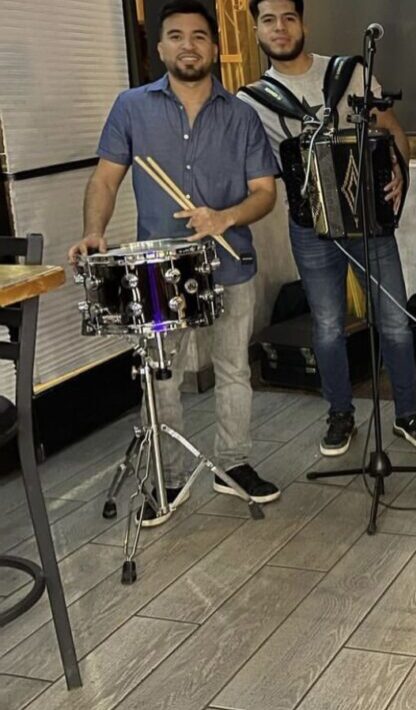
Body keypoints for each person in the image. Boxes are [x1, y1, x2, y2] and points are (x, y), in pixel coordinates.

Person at [68, 0, 282, 527]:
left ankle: (233, 463)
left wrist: (224, 218)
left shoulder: (242, 115)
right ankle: (166, 476)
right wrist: (94, 232)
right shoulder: (131, 107)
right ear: (160, 47)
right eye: (176, 36)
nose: (189, 45)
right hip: (158, 269)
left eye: (200, 36)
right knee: (161, 376)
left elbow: (264, 193)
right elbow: (105, 179)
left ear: (215, 47)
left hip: (230, 263)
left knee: (234, 369)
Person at [241, 0, 416, 457]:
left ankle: (408, 413)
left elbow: (392, 130)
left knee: (393, 320)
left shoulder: (348, 72)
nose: (279, 28)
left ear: (302, 24)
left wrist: (400, 175)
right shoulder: (250, 102)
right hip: (309, 226)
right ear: (256, 30)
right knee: (328, 326)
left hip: (368, 222)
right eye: (269, 20)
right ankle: (340, 414)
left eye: (288, 18)